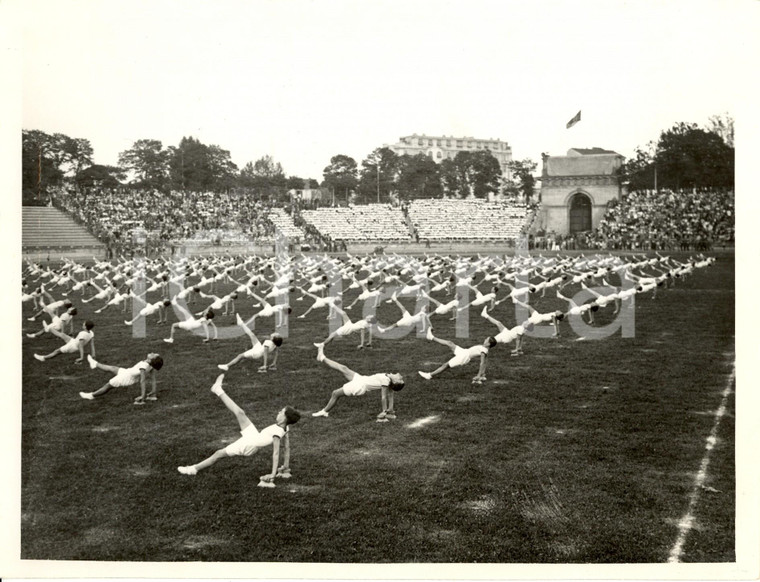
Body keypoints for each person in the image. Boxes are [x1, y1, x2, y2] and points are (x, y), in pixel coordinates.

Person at [177, 374, 300, 486]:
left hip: (248, 445)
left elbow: (276, 453)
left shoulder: (277, 433)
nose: (278, 412)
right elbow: (287, 448)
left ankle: (193, 469)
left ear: (285, 418)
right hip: (253, 436)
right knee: (240, 413)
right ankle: (217, 389)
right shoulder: (285, 427)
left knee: (219, 453)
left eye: (281, 412)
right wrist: (286, 467)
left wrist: (273, 474)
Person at [311, 343, 404, 420]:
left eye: (400, 379)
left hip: (359, 385)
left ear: (395, 382)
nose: (401, 376)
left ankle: (324, 412)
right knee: (344, 368)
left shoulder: (386, 380)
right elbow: (391, 396)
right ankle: (322, 357)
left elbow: (384, 397)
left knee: (335, 393)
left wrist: (384, 411)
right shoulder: (388, 380)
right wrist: (390, 410)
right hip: (361, 379)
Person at [418, 324, 496, 383]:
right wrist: (482, 374)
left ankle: (429, 375)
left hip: (464, 356)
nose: (485, 339)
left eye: (487, 339)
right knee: (450, 343)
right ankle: (431, 337)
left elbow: (482, 363)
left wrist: (479, 375)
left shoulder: (484, 351)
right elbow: (485, 363)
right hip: (464, 351)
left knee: (446, 365)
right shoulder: (485, 349)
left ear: (488, 344)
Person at [79, 352, 163, 405]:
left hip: (126, 378)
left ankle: (91, 395)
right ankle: (95, 364)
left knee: (108, 386)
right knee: (112, 368)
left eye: (153, 354)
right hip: (127, 372)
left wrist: (143, 396)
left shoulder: (143, 366)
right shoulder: (150, 366)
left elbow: (143, 381)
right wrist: (153, 392)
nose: (152, 352)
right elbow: (153, 379)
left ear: (151, 360)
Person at [218, 314, 282, 372]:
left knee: (240, 356)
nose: (275, 333)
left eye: (275, 335)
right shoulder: (275, 345)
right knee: (252, 335)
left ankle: (227, 366)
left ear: (272, 338)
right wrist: (274, 363)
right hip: (259, 348)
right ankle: (241, 323)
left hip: (256, 353)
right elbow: (276, 353)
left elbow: (265, 355)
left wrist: (264, 365)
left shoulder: (268, 343)